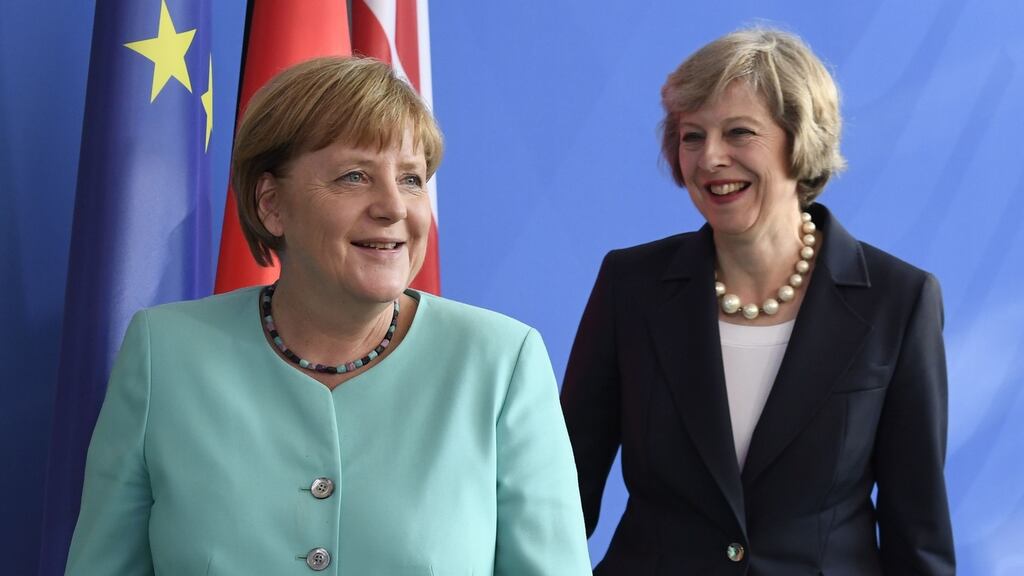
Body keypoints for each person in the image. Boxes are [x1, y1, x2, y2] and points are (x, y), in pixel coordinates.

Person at [66, 56, 591, 575]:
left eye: (411, 179)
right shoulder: (165, 352)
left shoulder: (501, 362)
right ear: (271, 203)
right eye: (355, 176)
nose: (393, 207)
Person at [561, 28, 955, 574]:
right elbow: (559, 500)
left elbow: (919, 535)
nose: (710, 158)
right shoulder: (630, 286)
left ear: (800, 140)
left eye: (739, 132)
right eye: (692, 136)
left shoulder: (899, 301)